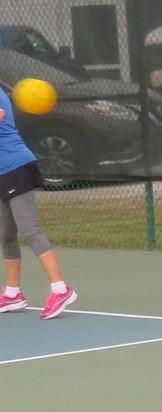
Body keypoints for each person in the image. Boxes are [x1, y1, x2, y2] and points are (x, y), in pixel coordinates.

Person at [0, 89, 76, 319]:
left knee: (30, 229)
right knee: (5, 234)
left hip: (16, 167)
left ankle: (60, 289)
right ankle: (13, 294)